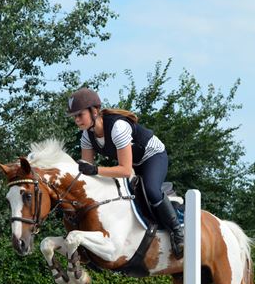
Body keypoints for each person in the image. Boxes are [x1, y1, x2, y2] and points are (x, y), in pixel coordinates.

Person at [66, 87, 185, 258]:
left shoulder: (118, 127)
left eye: (80, 115)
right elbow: (87, 173)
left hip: (153, 156)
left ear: (94, 111)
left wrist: (96, 170)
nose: (77, 120)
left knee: (151, 189)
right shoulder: (86, 136)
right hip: (133, 163)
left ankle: (177, 232)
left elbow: (125, 170)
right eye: (74, 117)